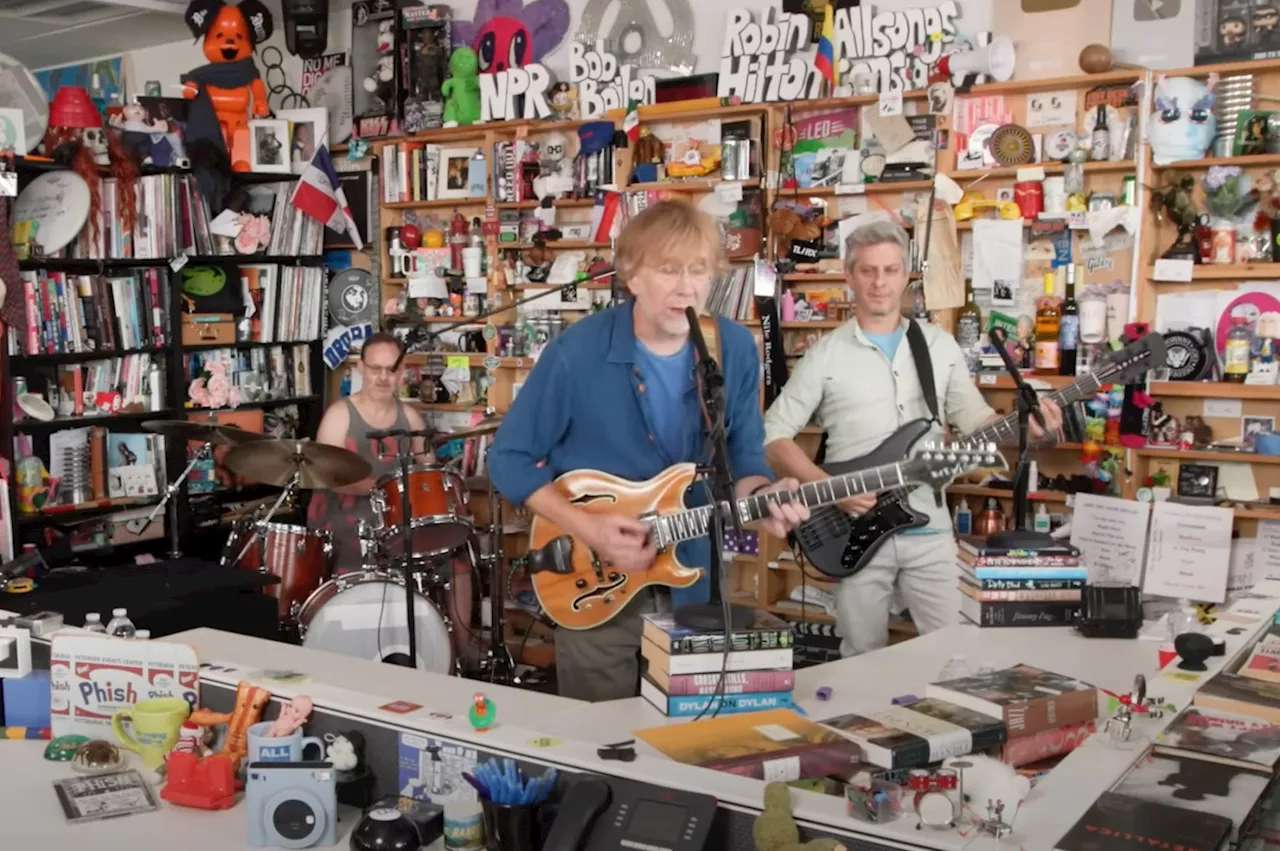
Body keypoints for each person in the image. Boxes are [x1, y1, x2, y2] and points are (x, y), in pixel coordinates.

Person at [487, 199, 810, 702]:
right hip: (593, 579)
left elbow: (744, 455)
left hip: (696, 577)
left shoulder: (733, 348)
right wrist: (588, 527)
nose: (686, 286)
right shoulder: (577, 352)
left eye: (698, 270)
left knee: (692, 734)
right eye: (668, 269)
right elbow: (507, 458)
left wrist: (765, 494)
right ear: (632, 275)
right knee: (600, 745)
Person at [763, 220, 1063, 657]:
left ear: (906, 275)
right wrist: (830, 491)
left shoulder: (939, 347)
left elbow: (976, 420)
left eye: (890, 270)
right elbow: (774, 436)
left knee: (951, 654)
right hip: (854, 531)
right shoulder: (824, 354)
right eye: (867, 271)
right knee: (860, 656)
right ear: (849, 276)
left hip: (929, 526)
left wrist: (1025, 429)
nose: (879, 282)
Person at [307, 332, 474, 660]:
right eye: (376, 369)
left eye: (391, 370)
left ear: (402, 373)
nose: (383, 377)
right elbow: (327, 475)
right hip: (345, 517)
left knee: (457, 553)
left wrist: (444, 489)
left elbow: (428, 472)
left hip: (396, 516)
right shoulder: (339, 415)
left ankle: (458, 651)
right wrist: (381, 487)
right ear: (361, 368)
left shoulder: (410, 418)